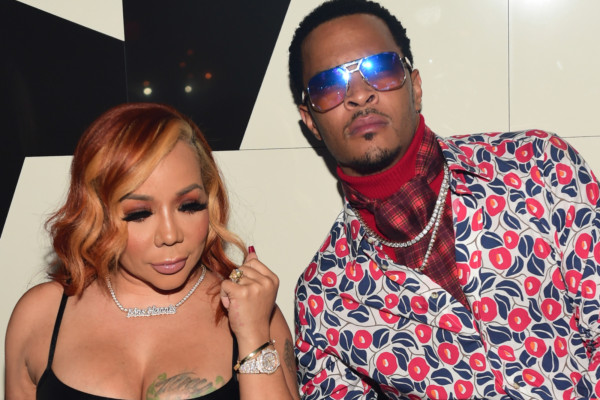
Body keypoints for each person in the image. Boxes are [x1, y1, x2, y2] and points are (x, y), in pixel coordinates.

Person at [289, 0, 600, 398]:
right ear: (311, 121)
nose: (360, 94)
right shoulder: (323, 297)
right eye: (329, 86)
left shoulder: (537, 165)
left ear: (415, 86)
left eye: (380, 69)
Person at [5, 103, 300, 400]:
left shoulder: (253, 311)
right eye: (139, 213)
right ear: (97, 213)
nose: (170, 235)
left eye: (189, 206)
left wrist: (252, 335)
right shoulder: (40, 316)